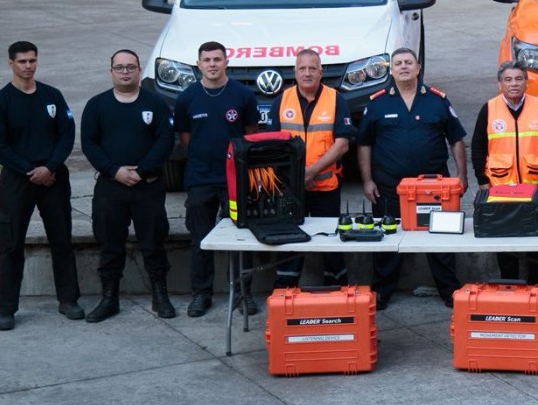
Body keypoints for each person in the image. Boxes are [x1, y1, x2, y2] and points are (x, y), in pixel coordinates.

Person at [0, 41, 82, 331]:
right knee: (11, 245)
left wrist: (50, 167)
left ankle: (68, 300)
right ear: (10, 64)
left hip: (53, 179)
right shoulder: (0, 102)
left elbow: (67, 134)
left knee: (62, 240)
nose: (28, 66)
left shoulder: (52, 96)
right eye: (22, 61)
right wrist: (31, 170)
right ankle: (7, 310)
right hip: (18, 181)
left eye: (32, 61)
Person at [359, 47, 467, 309]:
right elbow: (364, 144)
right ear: (391, 70)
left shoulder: (438, 100)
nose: (404, 67)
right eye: (398, 63)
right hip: (388, 186)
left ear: (418, 68)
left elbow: (456, 140)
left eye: (409, 62)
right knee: (387, 238)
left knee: (440, 237)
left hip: (434, 187)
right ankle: (382, 292)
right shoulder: (377, 103)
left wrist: (461, 176)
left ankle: (449, 290)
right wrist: (367, 180)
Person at [79, 49, 177, 322]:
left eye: (130, 67)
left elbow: (165, 141)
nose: (125, 72)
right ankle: (109, 299)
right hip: (111, 189)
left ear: (138, 71)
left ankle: (161, 297)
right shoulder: (97, 105)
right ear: (111, 71)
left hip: (148, 187)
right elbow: (89, 144)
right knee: (110, 245)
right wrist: (115, 171)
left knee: (154, 243)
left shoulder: (155, 104)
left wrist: (142, 171)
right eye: (119, 67)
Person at [174, 41, 261, 317]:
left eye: (217, 59)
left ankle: (243, 294)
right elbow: (186, 138)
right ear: (198, 64)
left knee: (241, 236)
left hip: (235, 181)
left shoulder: (242, 95)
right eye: (207, 60)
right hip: (200, 180)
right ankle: (201, 294)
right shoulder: (187, 97)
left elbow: (250, 133)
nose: (212, 64)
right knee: (200, 237)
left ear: (226, 62)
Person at [269, 49, 356, 289]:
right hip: (289, 189)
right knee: (288, 239)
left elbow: (342, 145)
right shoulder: (281, 100)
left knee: (330, 241)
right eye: (302, 68)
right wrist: (297, 176)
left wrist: (311, 172)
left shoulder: (336, 99)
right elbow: (273, 145)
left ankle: (337, 288)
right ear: (294, 72)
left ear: (321, 72)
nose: (307, 73)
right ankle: (284, 292)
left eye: (312, 68)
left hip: (325, 188)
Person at [471, 61, 538, 285]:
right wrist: (482, 180)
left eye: (518, 79)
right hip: (501, 190)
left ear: (527, 82)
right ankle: (509, 287)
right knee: (504, 242)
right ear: (500, 83)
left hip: (536, 189)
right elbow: (477, 146)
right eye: (508, 79)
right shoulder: (489, 108)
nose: (514, 84)